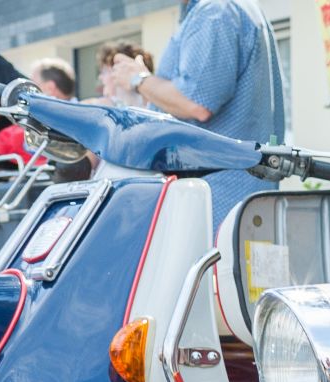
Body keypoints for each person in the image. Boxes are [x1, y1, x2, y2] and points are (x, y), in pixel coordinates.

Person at [109, 0, 286, 221]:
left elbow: (195, 103)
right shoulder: (224, 9)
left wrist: (138, 79)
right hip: (237, 196)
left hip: (216, 199)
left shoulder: (214, 12)